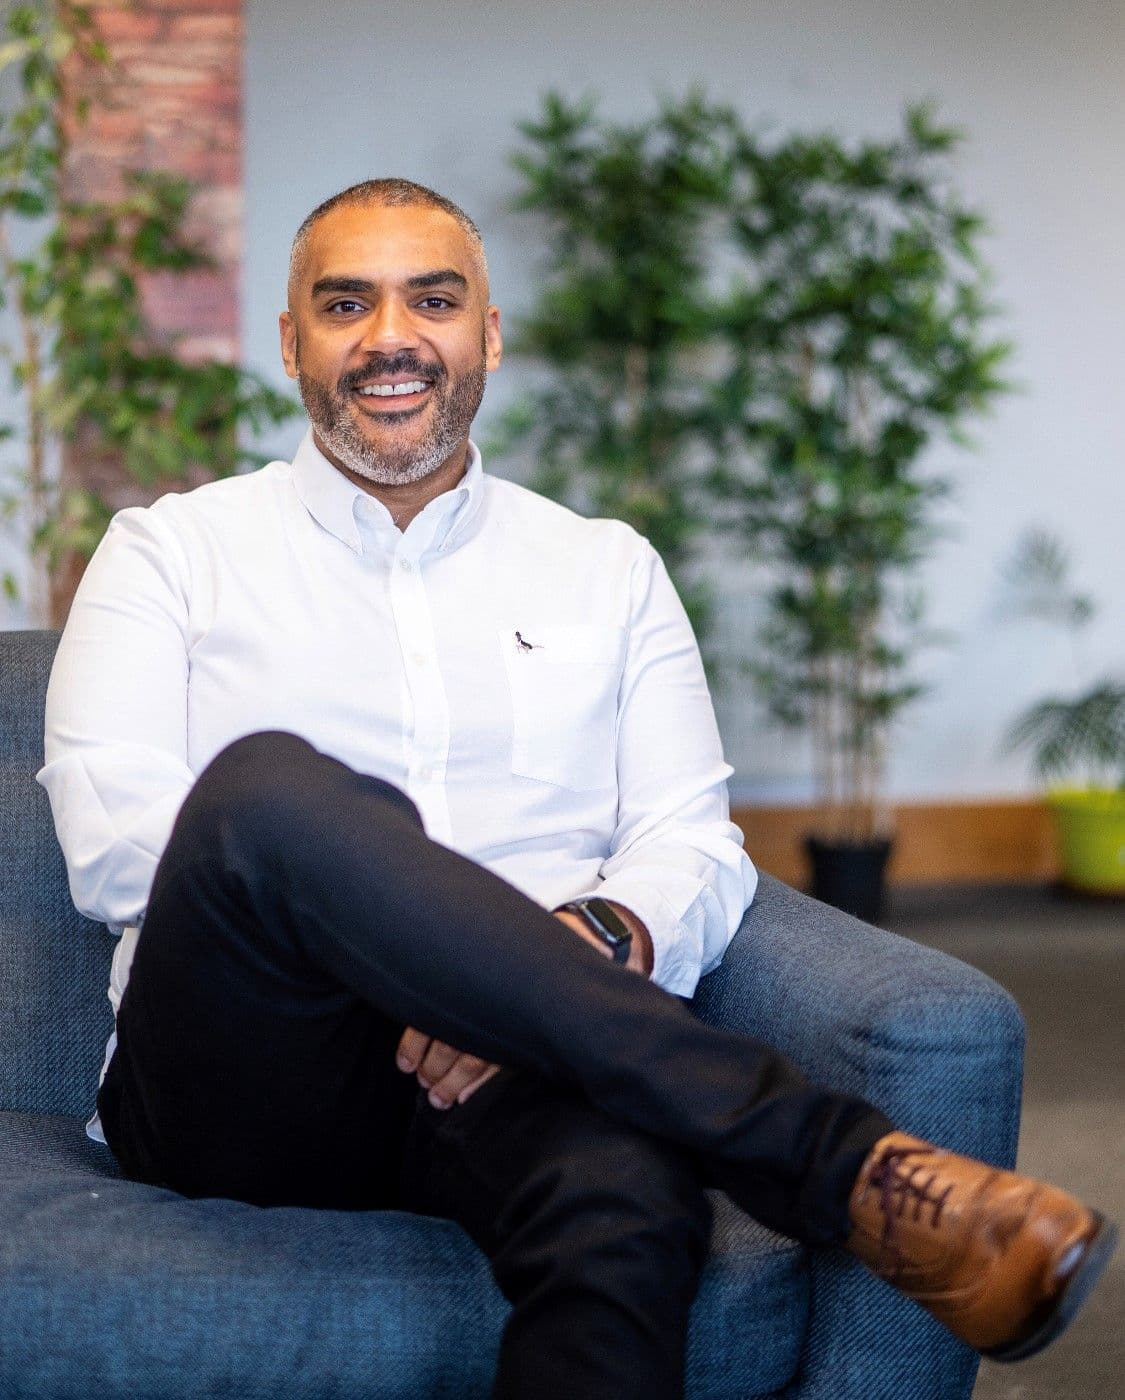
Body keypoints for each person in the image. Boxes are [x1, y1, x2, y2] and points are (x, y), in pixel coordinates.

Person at [38, 178, 1115, 1400]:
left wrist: (579, 944)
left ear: (489, 334)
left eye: (432, 300)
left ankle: (729, 1127)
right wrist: (463, 971)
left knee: (632, 1197)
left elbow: (689, 841)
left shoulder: (607, 569)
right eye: (345, 304)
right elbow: (117, 847)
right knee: (266, 796)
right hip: (246, 1080)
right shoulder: (169, 554)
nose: (391, 336)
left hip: (516, 1069)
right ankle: (831, 1160)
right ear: (291, 342)